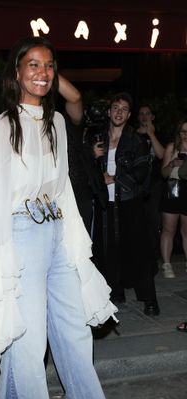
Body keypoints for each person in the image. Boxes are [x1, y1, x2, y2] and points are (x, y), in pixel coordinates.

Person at [0, 36, 119, 399]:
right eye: (32, 65)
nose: (42, 73)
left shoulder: (59, 123)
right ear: (17, 73)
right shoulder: (2, 125)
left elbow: (63, 187)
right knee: (25, 343)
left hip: (57, 230)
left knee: (75, 333)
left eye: (48, 66)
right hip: (20, 233)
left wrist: (75, 244)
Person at [92, 92, 160, 316]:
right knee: (109, 251)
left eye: (123, 109)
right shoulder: (98, 138)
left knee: (138, 252)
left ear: (129, 114)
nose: (119, 112)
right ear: (109, 111)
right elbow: (86, 170)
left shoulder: (136, 140)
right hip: (106, 205)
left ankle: (150, 299)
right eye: (115, 107)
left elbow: (142, 170)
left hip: (130, 203)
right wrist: (93, 159)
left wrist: (114, 178)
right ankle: (116, 291)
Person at [58, 75, 107, 234]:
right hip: (52, 194)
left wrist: (47, 71)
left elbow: (75, 98)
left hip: (78, 192)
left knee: (81, 247)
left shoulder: (67, 122)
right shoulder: (31, 122)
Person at [159, 119, 187, 278]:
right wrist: (172, 165)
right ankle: (167, 265)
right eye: (183, 131)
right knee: (169, 229)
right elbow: (163, 174)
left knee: (186, 231)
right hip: (173, 188)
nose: (185, 135)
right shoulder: (172, 147)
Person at [136, 104, 165, 258]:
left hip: (154, 184)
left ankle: (154, 251)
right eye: (141, 113)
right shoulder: (132, 135)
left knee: (154, 218)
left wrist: (151, 134)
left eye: (147, 113)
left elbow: (161, 155)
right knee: (139, 219)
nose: (144, 116)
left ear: (152, 117)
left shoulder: (158, 134)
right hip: (137, 184)